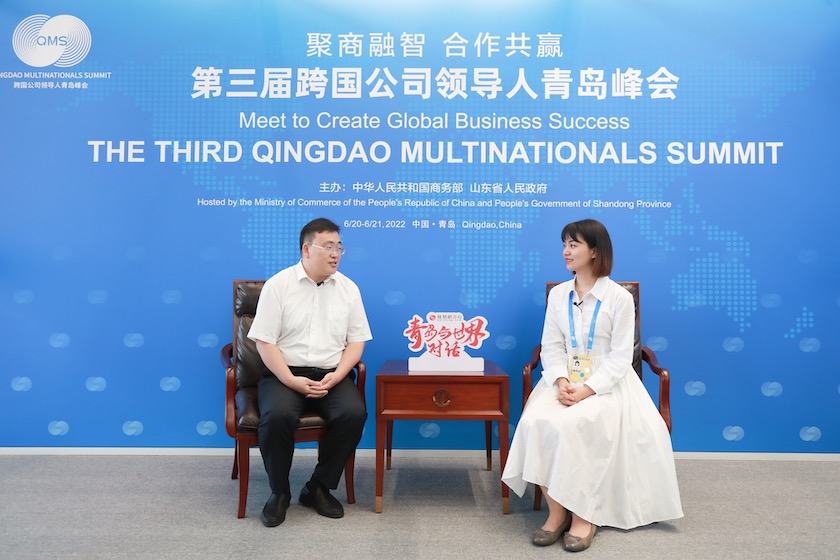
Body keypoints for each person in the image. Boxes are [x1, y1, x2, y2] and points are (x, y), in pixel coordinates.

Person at [502, 219, 683, 552]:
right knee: (534, 420)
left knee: (578, 423)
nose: (566, 251)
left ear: (595, 251)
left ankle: (585, 516)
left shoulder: (619, 298)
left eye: (574, 245)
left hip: (608, 384)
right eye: (564, 244)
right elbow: (551, 346)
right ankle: (557, 512)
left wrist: (587, 390)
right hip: (563, 380)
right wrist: (561, 382)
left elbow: (620, 357)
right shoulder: (559, 295)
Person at [248, 217, 372, 527]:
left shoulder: (348, 289)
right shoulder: (279, 285)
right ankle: (279, 492)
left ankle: (318, 487)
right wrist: (290, 379)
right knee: (277, 417)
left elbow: (356, 342)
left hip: (332, 373)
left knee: (354, 414)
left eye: (339, 247)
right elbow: (264, 341)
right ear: (307, 249)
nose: (336, 254)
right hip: (284, 374)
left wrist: (339, 374)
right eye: (328, 247)